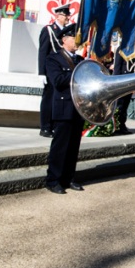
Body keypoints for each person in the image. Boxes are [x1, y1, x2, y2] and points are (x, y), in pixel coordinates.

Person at [44, 24, 85, 194]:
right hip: (63, 106)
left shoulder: (80, 61)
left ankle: (69, 178)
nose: (77, 41)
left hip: (78, 108)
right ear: (64, 40)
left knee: (73, 147)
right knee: (60, 147)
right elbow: (58, 81)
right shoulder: (53, 58)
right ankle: (53, 180)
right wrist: (77, 73)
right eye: (73, 38)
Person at [38, 4, 70, 138]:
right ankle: (45, 127)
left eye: (68, 15)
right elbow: (43, 52)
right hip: (51, 70)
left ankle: (56, 125)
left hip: (61, 71)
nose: (68, 18)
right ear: (58, 15)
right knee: (48, 99)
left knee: (59, 99)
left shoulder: (68, 32)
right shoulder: (49, 30)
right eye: (65, 15)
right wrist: (41, 72)